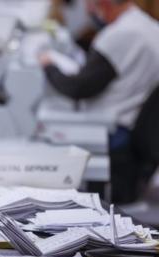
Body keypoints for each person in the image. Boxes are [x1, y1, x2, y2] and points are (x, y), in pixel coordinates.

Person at [38, 0, 159, 203]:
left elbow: (79, 88)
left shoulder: (121, 34)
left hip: (119, 135)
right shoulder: (148, 25)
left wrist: (49, 66)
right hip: (137, 130)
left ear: (103, 4)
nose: (90, 12)